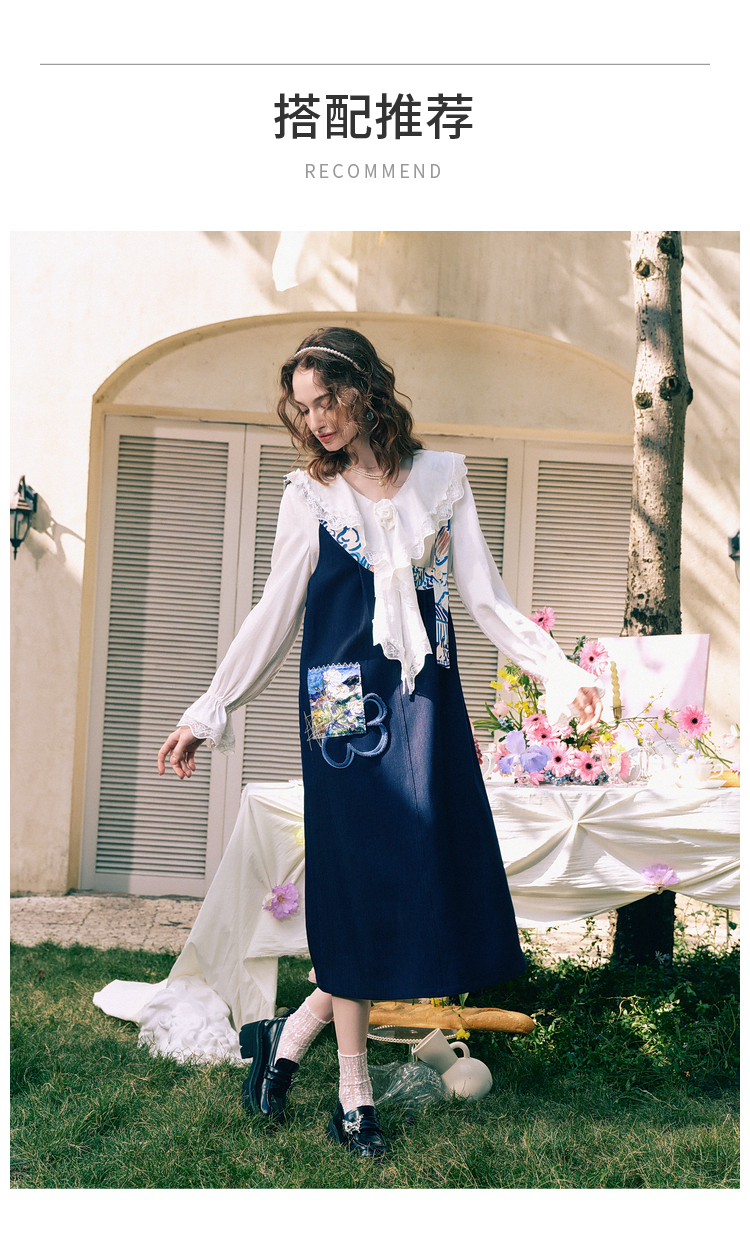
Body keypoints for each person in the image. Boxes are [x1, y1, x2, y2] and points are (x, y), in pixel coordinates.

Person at [157, 326, 603, 1158]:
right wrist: (207, 709)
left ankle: (290, 1036)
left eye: (328, 399)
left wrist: (556, 670)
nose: (317, 419)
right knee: (356, 885)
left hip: (423, 696)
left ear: (365, 387)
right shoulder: (309, 496)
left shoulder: (441, 478)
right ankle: (353, 1093)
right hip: (338, 706)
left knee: (417, 881)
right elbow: (273, 614)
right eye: (303, 407)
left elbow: (485, 596)